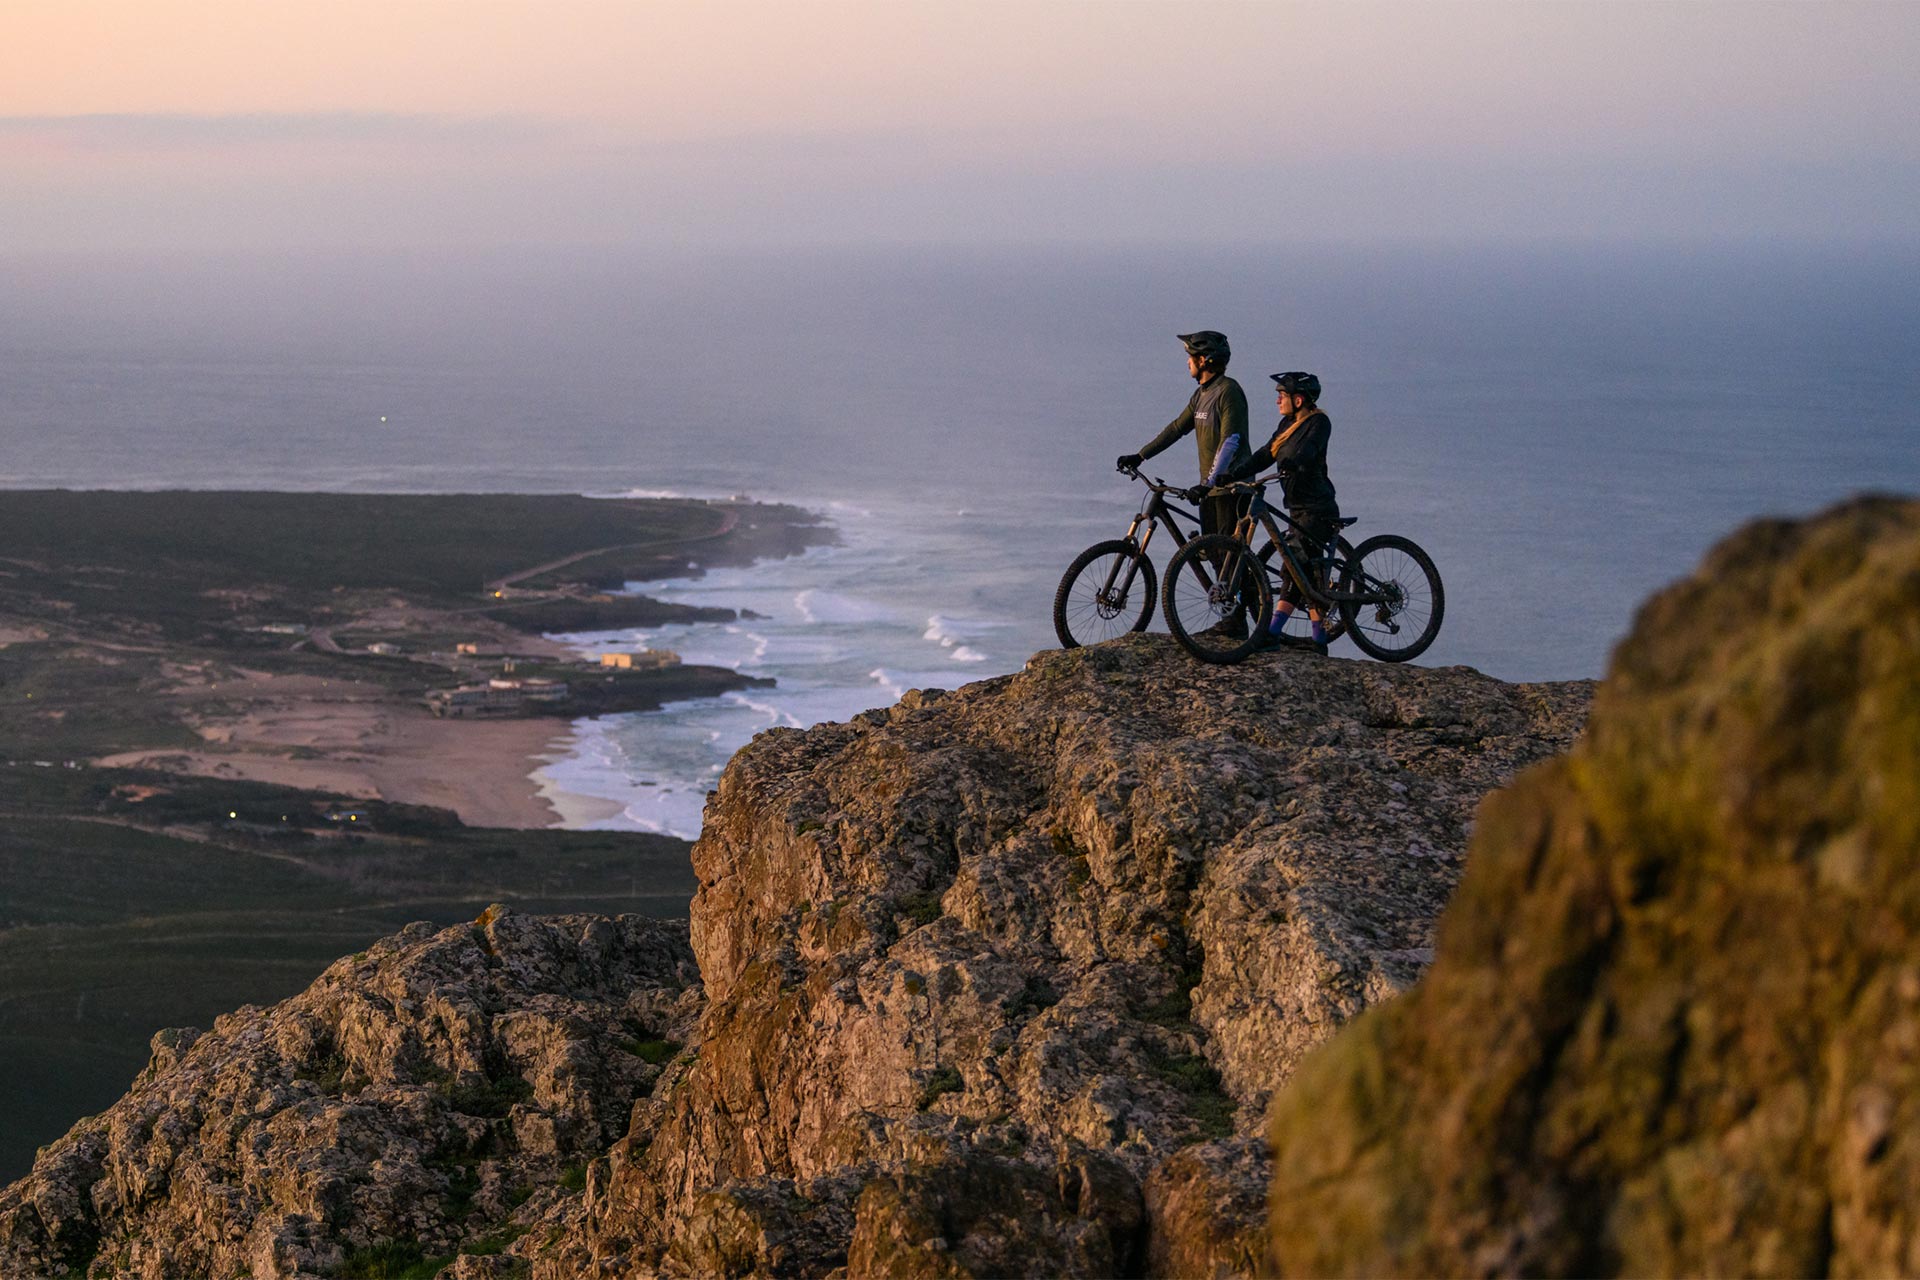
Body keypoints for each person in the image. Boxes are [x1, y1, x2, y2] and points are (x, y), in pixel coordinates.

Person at [1116, 331, 1254, 634]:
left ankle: (1237, 621)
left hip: (1232, 487)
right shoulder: (1201, 394)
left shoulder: (1229, 391)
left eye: (1190, 357)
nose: (1187, 364)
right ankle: (1232, 617)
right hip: (1211, 487)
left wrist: (1210, 481)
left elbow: (1231, 440)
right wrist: (1140, 456)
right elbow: (1176, 428)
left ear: (1204, 360)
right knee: (1217, 555)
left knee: (1228, 555)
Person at [1217, 370, 1341, 654]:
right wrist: (1233, 474)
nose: (1277, 401)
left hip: (1317, 507)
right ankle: (1319, 641)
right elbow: (1264, 454)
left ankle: (1270, 633)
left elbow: (1308, 451)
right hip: (1296, 508)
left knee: (1293, 569)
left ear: (1298, 400)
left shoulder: (1319, 422)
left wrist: (1293, 463)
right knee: (1306, 574)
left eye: (1281, 396)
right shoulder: (1287, 424)